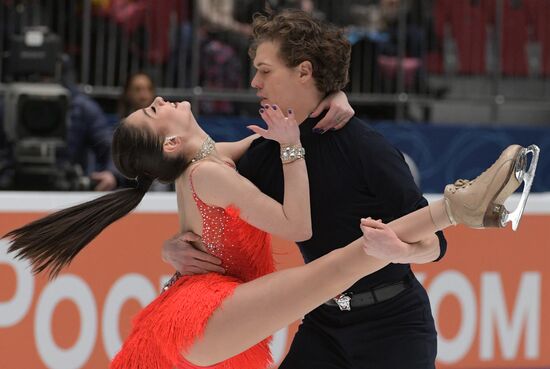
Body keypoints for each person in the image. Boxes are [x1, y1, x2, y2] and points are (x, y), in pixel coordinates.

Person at [3, 93, 533, 369]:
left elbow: (260, 150)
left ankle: (468, 209)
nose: (161, 101)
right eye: (152, 111)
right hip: (206, 310)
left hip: (201, 309)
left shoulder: (207, 164)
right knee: (344, 264)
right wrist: (292, 146)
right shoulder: (207, 171)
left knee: (346, 264)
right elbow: (295, 223)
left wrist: (330, 109)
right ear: (168, 144)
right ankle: (464, 207)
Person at [158, 9, 534, 369]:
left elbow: (436, 244)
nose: (254, 82)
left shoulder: (366, 148)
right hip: (323, 323)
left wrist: (401, 250)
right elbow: (197, 169)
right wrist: (172, 245)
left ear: (304, 71)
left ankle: (466, 204)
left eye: (264, 71)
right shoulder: (270, 151)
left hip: (394, 328)